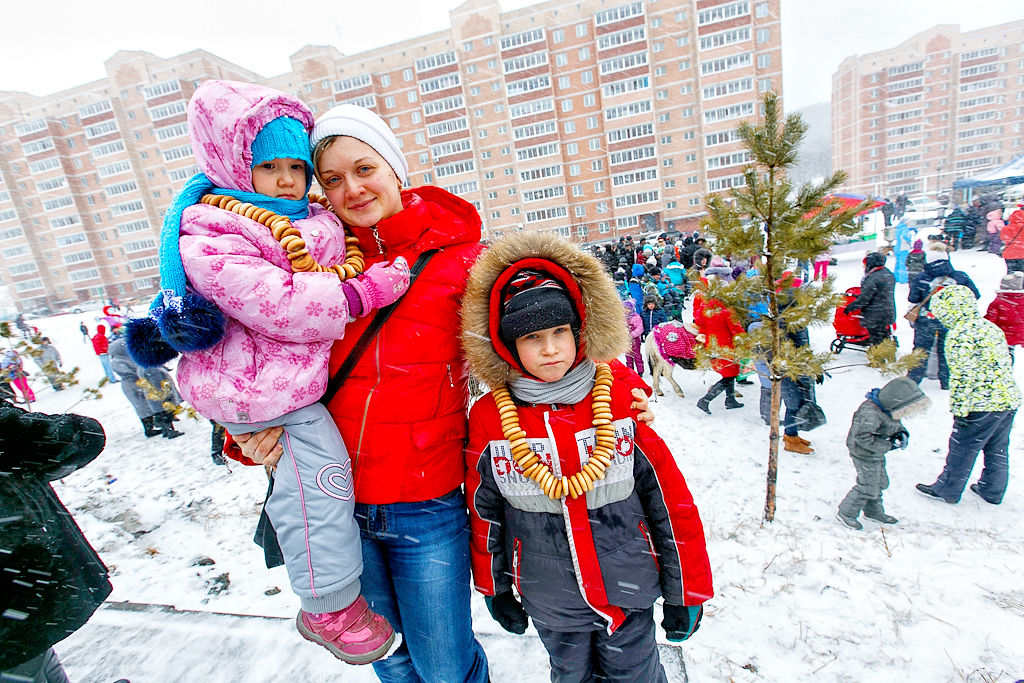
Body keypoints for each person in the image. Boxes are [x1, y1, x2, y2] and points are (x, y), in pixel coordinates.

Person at [234, 103, 655, 682]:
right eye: (331, 179)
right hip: (331, 504)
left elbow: (546, 340)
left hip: (424, 503)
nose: (351, 189)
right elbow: (253, 368)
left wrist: (622, 390)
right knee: (389, 659)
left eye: (364, 168)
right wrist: (244, 438)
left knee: (444, 666)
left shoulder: (462, 263)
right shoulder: (304, 263)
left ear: (396, 168)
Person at [126, 82, 410, 665]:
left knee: (312, 479)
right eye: (268, 166)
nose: (287, 179)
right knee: (317, 480)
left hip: (289, 388)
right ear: (235, 165)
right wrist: (358, 295)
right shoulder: (214, 231)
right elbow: (274, 300)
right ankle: (328, 605)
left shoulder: (309, 220)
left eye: (298, 166)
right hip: (257, 389)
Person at [461, 232, 713, 683]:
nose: (551, 349)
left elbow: (669, 502)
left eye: (560, 332)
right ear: (505, 344)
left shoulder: (616, 397)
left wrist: (686, 589)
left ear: (579, 331)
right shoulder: (490, 419)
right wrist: (495, 587)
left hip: (628, 590)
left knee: (636, 676)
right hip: (551, 600)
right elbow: (485, 514)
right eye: (532, 337)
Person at [0, 400, 112, 682]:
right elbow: (79, 437)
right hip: (15, 595)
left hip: (19, 607)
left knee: (34, 658)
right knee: (23, 659)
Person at [916, 286, 1020, 505]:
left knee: (963, 446)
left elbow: (963, 376)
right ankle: (992, 490)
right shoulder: (990, 328)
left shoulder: (959, 335)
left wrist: (960, 410)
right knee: (997, 447)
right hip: (1007, 399)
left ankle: (948, 489)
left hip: (980, 403)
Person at [836, 378, 930, 529]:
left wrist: (901, 433)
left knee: (880, 482)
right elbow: (861, 437)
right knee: (868, 485)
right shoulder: (870, 414)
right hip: (863, 452)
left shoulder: (887, 409)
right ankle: (847, 512)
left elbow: (895, 423)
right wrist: (888, 445)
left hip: (875, 452)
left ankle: (873, 511)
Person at [109, 336, 184, 439]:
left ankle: (163, 426)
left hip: (142, 383)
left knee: (152, 406)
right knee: (146, 408)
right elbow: (129, 372)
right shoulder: (118, 361)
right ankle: (154, 428)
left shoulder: (132, 358)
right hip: (135, 386)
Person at [694, 277, 745, 414]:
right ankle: (705, 400)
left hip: (712, 346)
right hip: (727, 347)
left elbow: (700, 324)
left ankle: (730, 400)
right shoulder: (727, 311)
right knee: (729, 376)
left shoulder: (705, 309)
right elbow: (736, 330)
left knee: (729, 374)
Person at [844, 252, 896, 347]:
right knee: (883, 337)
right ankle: (889, 356)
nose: (863, 266)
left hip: (875, 314)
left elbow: (865, 298)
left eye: (865, 263)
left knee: (877, 341)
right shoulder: (888, 274)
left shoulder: (872, 278)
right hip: (888, 311)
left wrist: (850, 307)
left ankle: (878, 360)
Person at [984, 271, 1024, 362]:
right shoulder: (1022, 300)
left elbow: (990, 320)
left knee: (1005, 353)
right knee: (1010, 350)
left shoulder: (998, 302)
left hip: (1003, 334)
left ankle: (1007, 368)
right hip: (1019, 333)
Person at [623, 299, 644, 377]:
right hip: (626, 340)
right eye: (625, 308)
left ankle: (640, 370)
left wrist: (632, 334)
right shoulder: (623, 318)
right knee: (628, 356)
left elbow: (640, 328)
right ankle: (630, 370)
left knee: (637, 355)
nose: (626, 310)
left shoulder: (637, 318)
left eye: (628, 308)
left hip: (635, 340)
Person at [1002, 206, 1024, 273]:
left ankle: (1012, 283)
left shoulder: (1006, 228)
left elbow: (1003, 238)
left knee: (1012, 274)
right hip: (1022, 253)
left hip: (1009, 254)